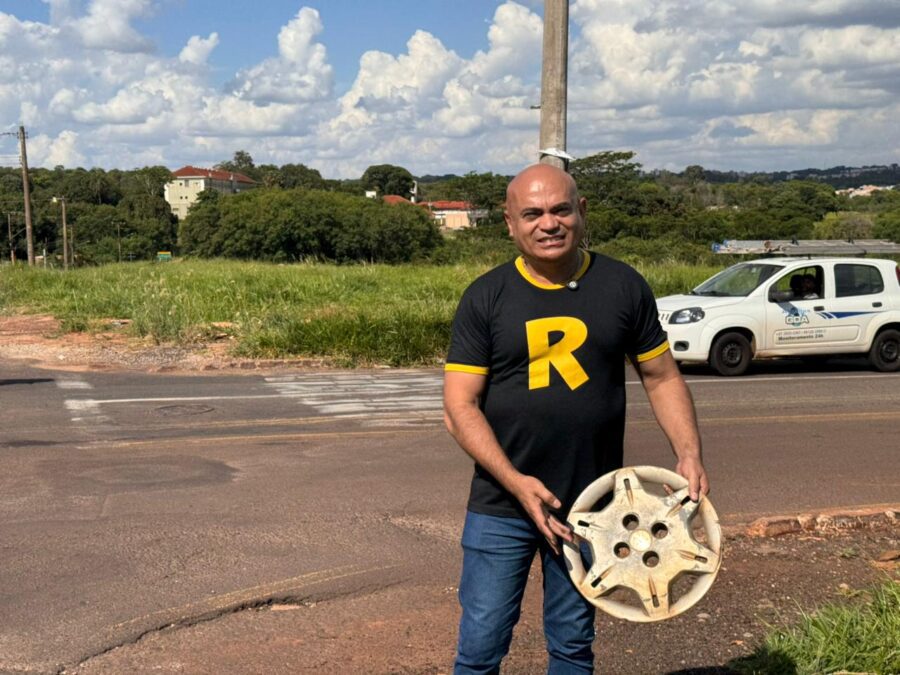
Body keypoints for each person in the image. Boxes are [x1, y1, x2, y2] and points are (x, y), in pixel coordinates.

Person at [443, 163, 709, 674]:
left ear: (581, 211)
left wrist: (689, 453)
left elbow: (662, 378)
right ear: (510, 223)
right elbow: (459, 409)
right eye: (532, 214)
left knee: (572, 644)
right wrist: (518, 483)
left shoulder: (623, 285)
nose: (549, 223)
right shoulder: (486, 296)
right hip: (503, 504)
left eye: (561, 210)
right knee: (480, 648)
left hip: (591, 508)